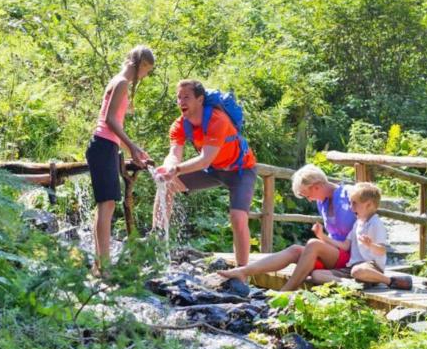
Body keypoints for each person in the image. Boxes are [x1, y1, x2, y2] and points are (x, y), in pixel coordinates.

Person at [153, 79, 257, 267]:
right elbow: (174, 154)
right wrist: (168, 168)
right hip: (214, 171)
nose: (181, 102)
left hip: (240, 171)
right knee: (165, 184)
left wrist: (176, 170)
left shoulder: (218, 119)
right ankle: (157, 243)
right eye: (178, 98)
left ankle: (241, 274)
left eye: (186, 97)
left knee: (238, 218)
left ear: (200, 100)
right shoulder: (179, 125)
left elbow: (204, 159)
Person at [216, 163, 355, 284]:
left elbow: (367, 221)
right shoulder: (322, 201)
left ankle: (285, 293)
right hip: (333, 253)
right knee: (295, 249)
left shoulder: (349, 194)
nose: (309, 200)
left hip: (351, 256)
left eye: (307, 195)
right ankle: (243, 271)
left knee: (313, 244)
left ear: (317, 186)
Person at [85, 45, 155, 274]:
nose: (146, 76)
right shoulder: (122, 82)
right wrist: (132, 146)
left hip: (106, 145)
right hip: (103, 145)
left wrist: (135, 151)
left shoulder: (119, 81)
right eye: (147, 71)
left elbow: (114, 126)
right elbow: (109, 121)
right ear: (141, 65)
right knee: (107, 205)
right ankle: (102, 266)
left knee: (106, 205)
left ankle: (100, 264)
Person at [308, 182, 412, 291]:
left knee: (357, 271)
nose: (351, 207)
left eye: (354, 203)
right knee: (316, 274)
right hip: (353, 268)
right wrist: (322, 236)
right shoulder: (357, 223)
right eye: (350, 203)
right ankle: (350, 284)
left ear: (368, 205)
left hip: (371, 268)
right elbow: (345, 246)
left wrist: (370, 245)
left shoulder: (376, 223)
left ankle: (390, 281)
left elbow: (382, 250)